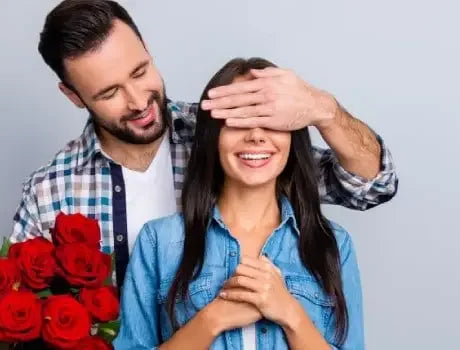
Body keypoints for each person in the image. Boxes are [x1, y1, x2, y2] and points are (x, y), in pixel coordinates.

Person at [9, 0, 397, 288]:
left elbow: (370, 187)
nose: (138, 101)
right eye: (109, 92)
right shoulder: (51, 192)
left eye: (140, 71)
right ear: (74, 96)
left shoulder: (224, 132)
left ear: (148, 50)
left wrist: (324, 110)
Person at [115, 57, 364, 350]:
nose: (256, 135)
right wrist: (212, 319)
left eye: (270, 121)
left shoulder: (333, 244)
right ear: (212, 137)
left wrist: (291, 315)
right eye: (237, 120)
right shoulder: (159, 242)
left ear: (293, 137)